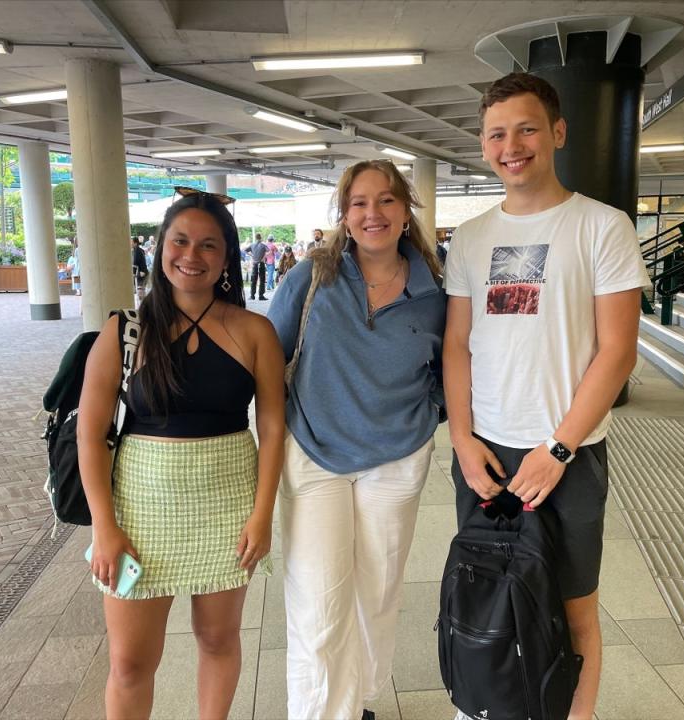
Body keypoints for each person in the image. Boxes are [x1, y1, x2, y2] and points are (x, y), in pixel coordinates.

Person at [442, 72, 648, 720]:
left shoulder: (601, 227)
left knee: (574, 607)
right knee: (491, 595)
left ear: (557, 132)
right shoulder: (470, 238)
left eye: (527, 128)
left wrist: (557, 449)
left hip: (569, 451)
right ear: (482, 145)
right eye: (497, 133)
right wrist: (462, 440)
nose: (513, 145)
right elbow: (457, 345)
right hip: (486, 454)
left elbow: (618, 352)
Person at [78, 191, 285, 719]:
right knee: (129, 662)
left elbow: (272, 425)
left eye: (209, 245)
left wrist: (262, 515)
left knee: (218, 639)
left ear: (226, 257)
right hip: (139, 512)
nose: (192, 255)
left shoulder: (254, 330)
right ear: (160, 247)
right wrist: (105, 525)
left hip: (227, 506)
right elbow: (90, 433)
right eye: (180, 240)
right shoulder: (123, 331)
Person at [267, 160, 445, 720]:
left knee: (377, 594)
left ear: (405, 210)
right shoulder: (312, 276)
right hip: (315, 454)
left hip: (396, 460)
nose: (374, 213)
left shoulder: (433, 289)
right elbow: (267, 360)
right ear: (344, 214)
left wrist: (429, 414)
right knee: (318, 604)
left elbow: (453, 366)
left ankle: (359, 701)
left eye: (387, 200)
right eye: (360, 203)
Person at [246, 233, 268, 300]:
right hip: (261, 263)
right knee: (262, 280)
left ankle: (252, 296)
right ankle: (261, 296)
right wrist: (263, 257)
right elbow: (269, 251)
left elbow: (245, 250)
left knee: (253, 280)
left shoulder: (252, 245)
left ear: (255, 238)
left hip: (255, 264)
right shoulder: (263, 245)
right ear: (260, 238)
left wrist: (252, 255)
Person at [131, 236, 148, 301]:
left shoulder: (137, 251)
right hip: (142, 272)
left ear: (135, 243)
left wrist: (133, 273)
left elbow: (135, 262)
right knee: (141, 293)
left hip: (141, 273)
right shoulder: (139, 250)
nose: (130, 243)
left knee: (141, 293)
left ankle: (143, 307)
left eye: (131, 242)